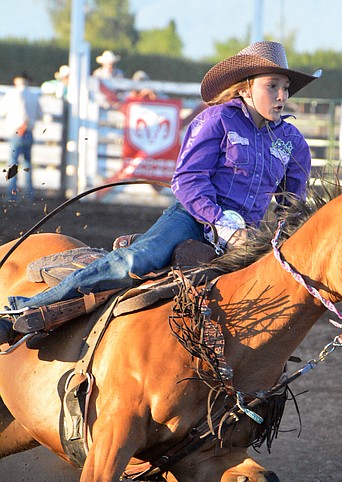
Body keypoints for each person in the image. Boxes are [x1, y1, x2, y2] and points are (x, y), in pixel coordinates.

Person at [0, 41, 321, 344]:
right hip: (194, 218)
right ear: (246, 87)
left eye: (285, 88)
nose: (282, 95)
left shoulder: (292, 142)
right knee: (137, 259)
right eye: (272, 85)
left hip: (248, 236)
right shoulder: (218, 120)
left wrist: (277, 239)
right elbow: (187, 180)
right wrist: (221, 221)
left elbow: (290, 205)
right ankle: (23, 308)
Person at [0, 72, 43, 201]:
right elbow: (40, 114)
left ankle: (12, 194)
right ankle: (29, 194)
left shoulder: (13, 94)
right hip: (29, 132)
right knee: (27, 163)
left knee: (13, 163)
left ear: (16, 81)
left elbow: (2, 111)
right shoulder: (33, 96)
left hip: (18, 131)